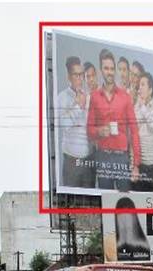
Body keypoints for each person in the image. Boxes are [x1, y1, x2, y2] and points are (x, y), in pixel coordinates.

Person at [87, 49, 141, 190]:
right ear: (101, 70)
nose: (109, 72)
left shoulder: (125, 97)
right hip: (103, 157)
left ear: (115, 70)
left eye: (112, 68)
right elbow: (89, 130)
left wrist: (136, 165)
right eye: (106, 68)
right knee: (107, 203)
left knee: (124, 200)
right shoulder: (95, 97)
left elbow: (134, 131)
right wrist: (99, 131)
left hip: (122, 158)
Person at [56, 56, 92, 189]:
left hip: (88, 161)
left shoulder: (88, 97)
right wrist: (78, 106)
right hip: (71, 161)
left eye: (82, 74)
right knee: (72, 204)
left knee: (91, 205)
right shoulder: (62, 97)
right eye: (76, 75)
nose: (80, 78)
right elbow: (63, 124)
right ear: (69, 77)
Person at [133, 72, 153, 192]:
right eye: (138, 85)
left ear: (150, 90)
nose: (139, 88)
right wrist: (134, 166)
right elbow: (133, 136)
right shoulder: (136, 109)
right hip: (139, 169)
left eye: (142, 85)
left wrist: (143, 106)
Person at [113, 196, 150, 261]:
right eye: (121, 218)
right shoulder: (111, 247)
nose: (124, 222)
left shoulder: (143, 246)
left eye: (128, 218)